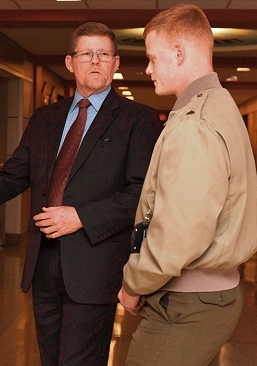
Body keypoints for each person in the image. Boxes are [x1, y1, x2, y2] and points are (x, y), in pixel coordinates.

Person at [0, 22, 161, 365]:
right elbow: (15, 175)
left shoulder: (139, 120)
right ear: (69, 62)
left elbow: (141, 195)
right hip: (44, 263)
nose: (95, 61)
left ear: (116, 63)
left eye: (104, 54)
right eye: (86, 54)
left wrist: (80, 216)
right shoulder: (46, 118)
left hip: (94, 267)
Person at [118, 4, 257, 366]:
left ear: (179, 53)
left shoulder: (197, 122)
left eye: (152, 57)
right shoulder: (219, 104)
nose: (147, 68)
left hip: (186, 305)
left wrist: (133, 284)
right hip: (209, 296)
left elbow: (179, 232)